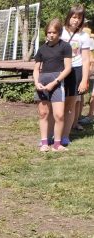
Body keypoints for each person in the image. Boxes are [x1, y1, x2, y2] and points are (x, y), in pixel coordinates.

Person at [34, 19, 72, 152]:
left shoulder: (65, 46)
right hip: (42, 82)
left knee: (59, 115)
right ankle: (44, 143)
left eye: (54, 32)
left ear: (59, 33)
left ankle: (57, 144)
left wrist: (55, 82)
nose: (51, 35)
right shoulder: (42, 49)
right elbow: (36, 69)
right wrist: (36, 82)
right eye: (49, 32)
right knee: (43, 113)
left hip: (56, 82)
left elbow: (68, 68)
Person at [60, 4, 90, 144]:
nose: (76, 20)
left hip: (76, 70)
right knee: (57, 104)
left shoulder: (84, 36)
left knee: (70, 106)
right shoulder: (60, 32)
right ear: (69, 17)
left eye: (79, 18)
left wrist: (84, 79)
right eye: (73, 17)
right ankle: (52, 135)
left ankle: (66, 136)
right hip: (59, 70)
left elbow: (85, 59)